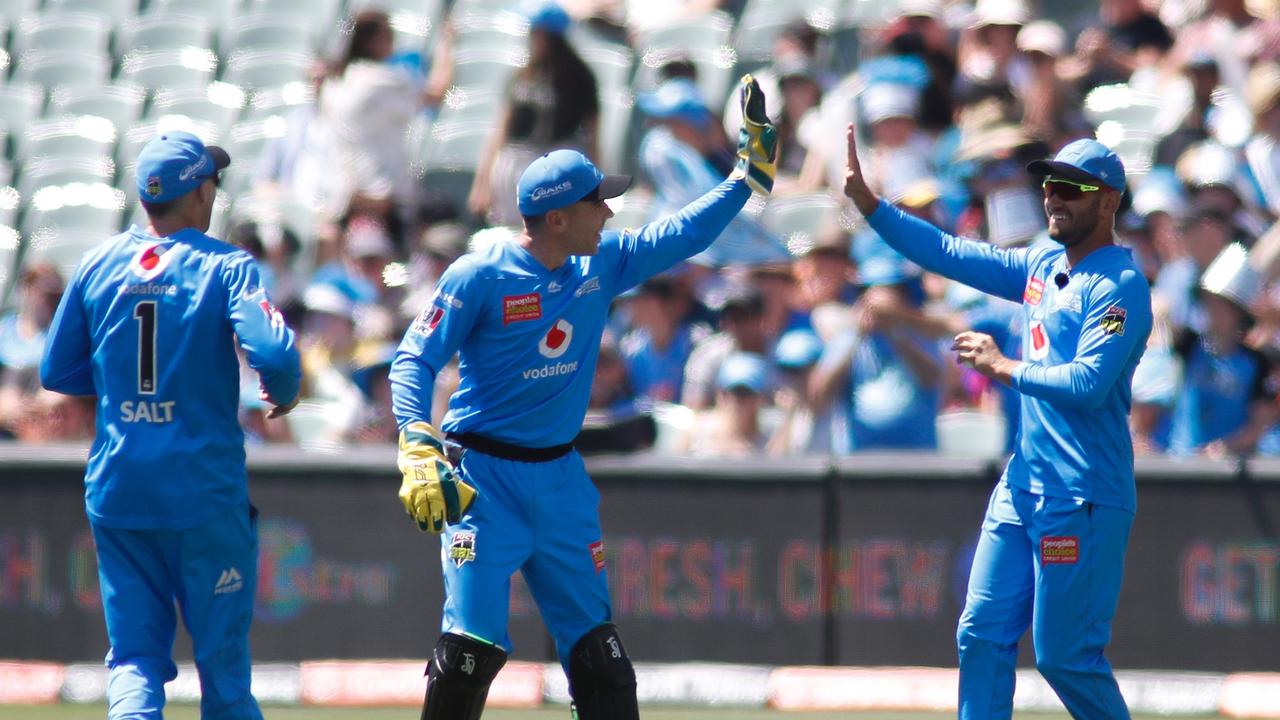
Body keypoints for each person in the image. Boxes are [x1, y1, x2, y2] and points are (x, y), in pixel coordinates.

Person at [389, 76, 776, 719]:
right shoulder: (479, 274)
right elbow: (415, 357)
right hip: (482, 482)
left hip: (562, 480)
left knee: (602, 662)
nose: (611, 211)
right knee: (467, 655)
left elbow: (682, 234)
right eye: (600, 202)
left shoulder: (601, 263)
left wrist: (743, 179)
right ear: (560, 216)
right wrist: (415, 439)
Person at [844, 129, 1153, 719]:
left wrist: (1003, 366)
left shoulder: (1120, 286)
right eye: (1051, 185)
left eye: (1073, 189)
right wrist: (871, 207)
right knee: (980, 634)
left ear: (1109, 202)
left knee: (1066, 658)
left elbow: (1089, 385)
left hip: (1083, 493)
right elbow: (954, 255)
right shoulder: (1042, 263)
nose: (1054, 198)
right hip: (1023, 485)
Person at [39, 132, 301, 719]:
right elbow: (276, 356)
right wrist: (282, 393)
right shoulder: (226, 265)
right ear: (200, 192)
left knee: (133, 659)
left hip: (120, 488)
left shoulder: (96, 262)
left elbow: (58, 369)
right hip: (202, 492)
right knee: (224, 672)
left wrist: (123, 389)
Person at [467, 0, 600, 227]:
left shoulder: (579, 77)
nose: (530, 38)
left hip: (555, 164)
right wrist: (482, 182)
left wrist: (595, 182)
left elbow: (593, 134)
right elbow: (501, 130)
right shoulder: (523, 75)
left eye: (536, 32)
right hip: (514, 164)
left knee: (548, 231)